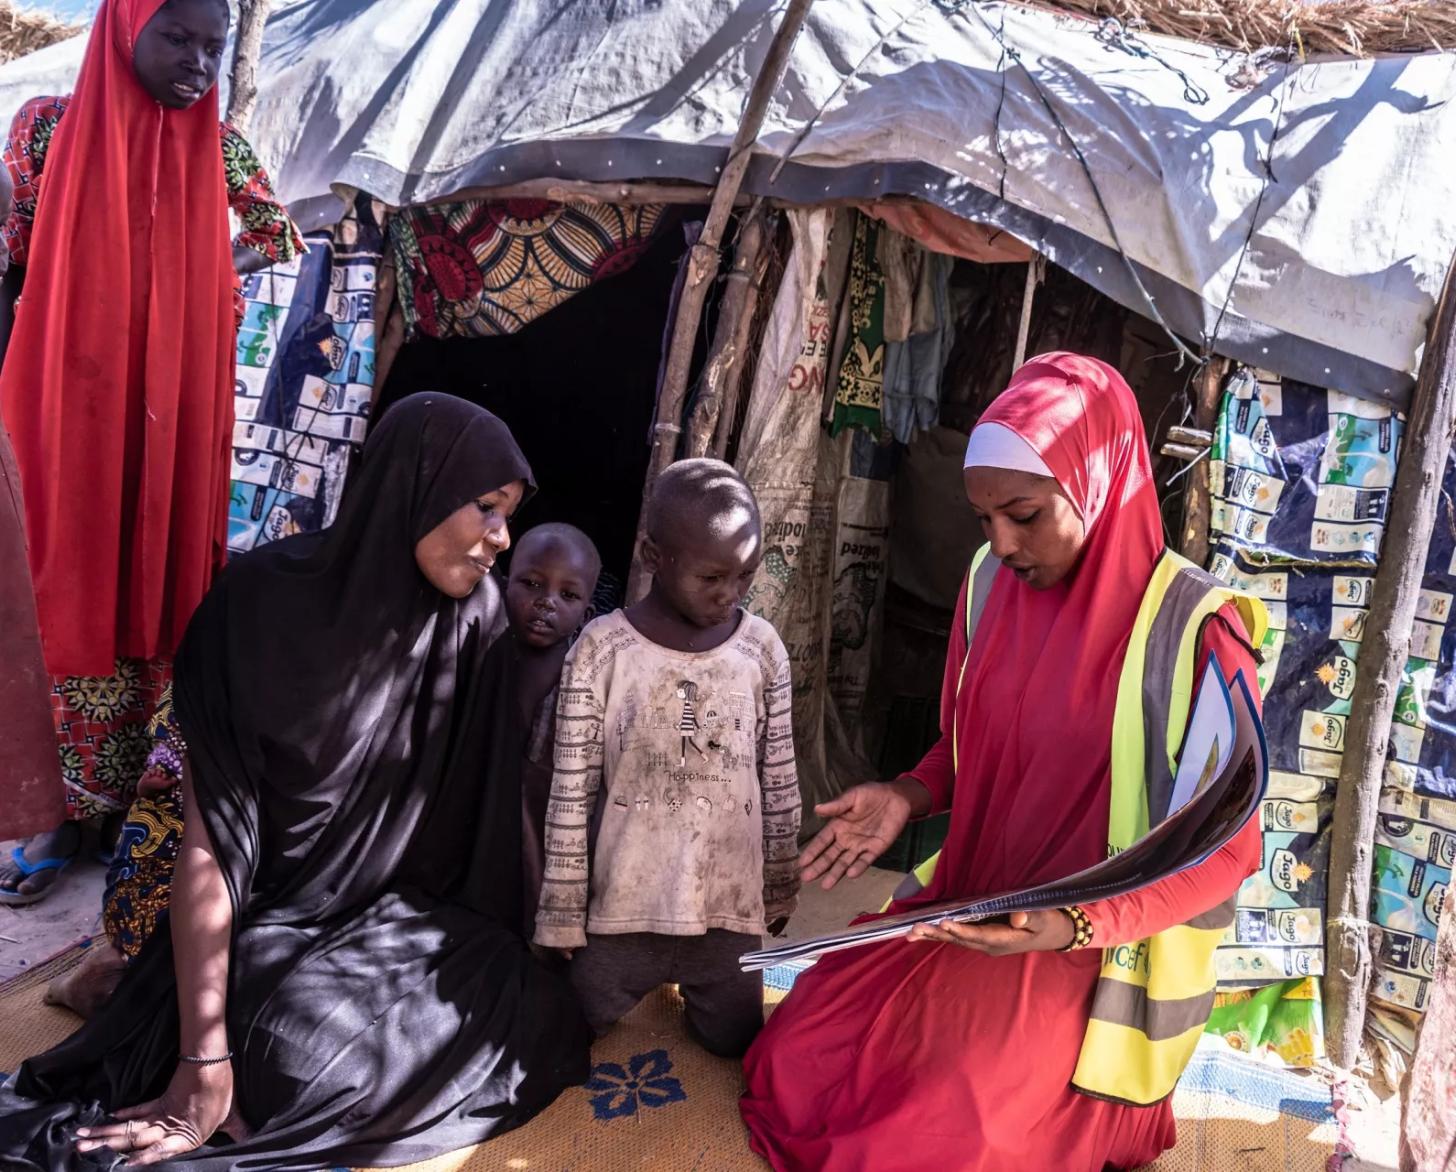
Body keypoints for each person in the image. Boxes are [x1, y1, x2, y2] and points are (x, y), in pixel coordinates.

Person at [0, 393, 592, 1169]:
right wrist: (202, 1064)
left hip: (382, 925)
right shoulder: (258, 608)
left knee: (525, 1011)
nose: (499, 539)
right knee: (277, 1051)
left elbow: (469, 842)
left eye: (506, 514)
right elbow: (209, 851)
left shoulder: (475, 624)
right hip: (245, 917)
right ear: (410, 485)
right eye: (484, 506)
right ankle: (168, 1015)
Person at [740, 353, 1267, 1171]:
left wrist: (1074, 926)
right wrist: (909, 797)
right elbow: (964, 741)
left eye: (1023, 514)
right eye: (984, 518)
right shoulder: (991, 582)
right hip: (973, 906)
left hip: (1092, 954)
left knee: (928, 1137)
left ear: (1096, 481)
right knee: (794, 1054)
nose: (1001, 542)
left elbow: (1228, 852)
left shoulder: (1198, 631)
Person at [0, 0, 304, 904]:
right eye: (177, 36)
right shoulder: (46, 129)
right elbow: (14, 254)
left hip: (172, 403)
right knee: (63, 574)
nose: (200, 62)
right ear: (126, 27)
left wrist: (193, 287)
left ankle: (139, 803)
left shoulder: (220, 150)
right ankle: (52, 808)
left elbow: (273, 235)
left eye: (215, 45)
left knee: (161, 575)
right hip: (64, 396)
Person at [534, 458, 802, 1059]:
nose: (730, 593)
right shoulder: (604, 650)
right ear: (654, 557)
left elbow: (778, 776)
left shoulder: (761, 649)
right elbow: (569, 791)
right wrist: (560, 914)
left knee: (737, 1046)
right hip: (621, 917)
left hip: (725, 918)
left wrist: (779, 885)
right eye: (712, 576)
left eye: (745, 575)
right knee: (558, 1037)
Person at [504, 523, 603, 925]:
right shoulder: (483, 658)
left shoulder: (579, 684)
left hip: (545, 843)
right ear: (503, 583)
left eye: (568, 595)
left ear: (587, 612)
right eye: (530, 583)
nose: (546, 603)